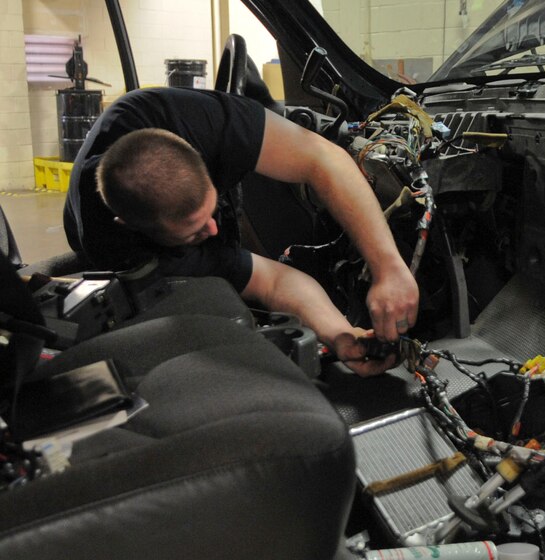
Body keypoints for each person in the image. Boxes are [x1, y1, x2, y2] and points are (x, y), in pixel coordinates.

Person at [63, 87, 419, 377]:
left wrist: (388, 269)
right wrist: (338, 335)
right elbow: (272, 282)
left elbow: (323, 158)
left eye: (212, 208)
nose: (214, 228)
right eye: (193, 232)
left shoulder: (194, 119)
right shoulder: (128, 251)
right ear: (136, 227)